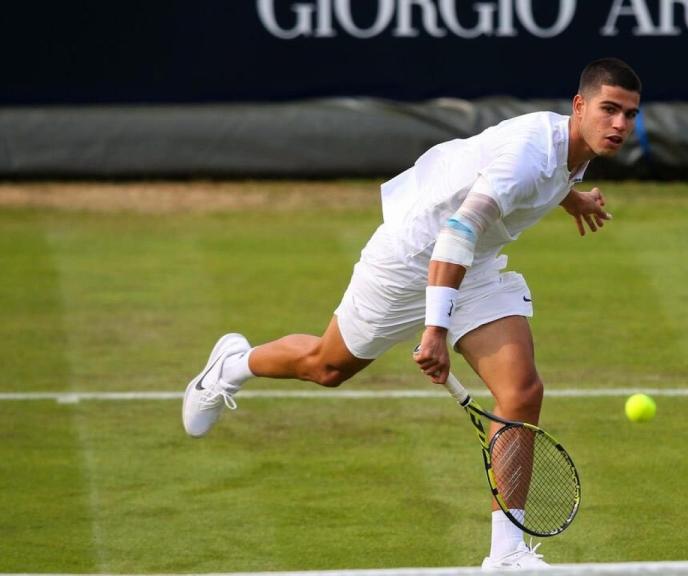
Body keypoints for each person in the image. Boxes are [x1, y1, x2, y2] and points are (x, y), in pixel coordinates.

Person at [182, 57, 641, 569]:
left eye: (629, 114)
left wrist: (571, 198)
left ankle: (506, 553)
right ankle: (231, 367)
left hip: (474, 265)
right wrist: (435, 331)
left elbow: (521, 189)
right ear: (579, 106)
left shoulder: (565, 151)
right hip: (411, 258)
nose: (620, 124)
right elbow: (457, 232)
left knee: (521, 391)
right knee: (326, 366)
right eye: (609, 110)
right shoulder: (530, 155)